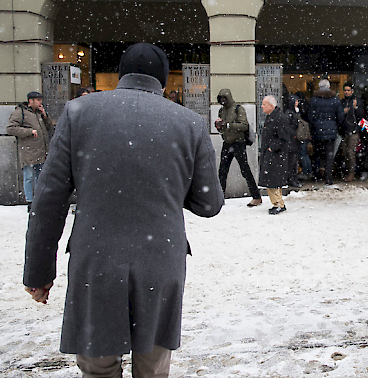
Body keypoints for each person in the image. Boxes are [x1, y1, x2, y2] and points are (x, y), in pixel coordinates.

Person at [22, 42, 224, 377]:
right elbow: (209, 203)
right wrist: (170, 185)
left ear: (120, 76)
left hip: (95, 260)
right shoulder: (189, 123)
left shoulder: (78, 113)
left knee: (97, 368)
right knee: (152, 370)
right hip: (160, 261)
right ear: (162, 81)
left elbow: (48, 201)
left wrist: (39, 273)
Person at [215, 88, 263, 206]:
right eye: (220, 98)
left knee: (245, 170)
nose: (222, 101)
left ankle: (256, 196)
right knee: (222, 171)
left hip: (238, 143)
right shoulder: (221, 110)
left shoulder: (238, 109)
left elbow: (244, 125)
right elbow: (224, 129)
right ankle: (219, 198)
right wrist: (220, 127)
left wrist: (227, 125)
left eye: (224, 98)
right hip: (227, 143)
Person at [6, 91, 53, 210]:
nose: (40, 102)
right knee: (29, 177)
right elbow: (10, 129)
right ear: (30, 101)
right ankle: (30, 201)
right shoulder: (20, 112)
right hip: (28, 151)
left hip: (41, 150)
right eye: (38, 100)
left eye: (40, 100)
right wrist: (29, 132)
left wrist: (45, 116)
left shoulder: (39, 113)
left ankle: (38, 199)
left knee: (40, 177)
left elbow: (49, 127)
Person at [259, 95, 291, 214]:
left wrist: (272, 148)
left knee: (274, 180)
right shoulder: (272, 117)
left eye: (264, 104)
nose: (262, 106)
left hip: (276, 155)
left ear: (271, 106)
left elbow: (284, 137)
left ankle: (279, 204)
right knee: (270, 180)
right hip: (271, 154)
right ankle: (276, 203)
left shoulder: (279, 118)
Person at [309, 79, 344, 185]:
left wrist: (313, 128)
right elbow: (340, 116)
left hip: (317, 131)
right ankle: (328, 178)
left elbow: (310, 116)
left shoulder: (314, 99)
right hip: (331, 131)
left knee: (317, 154)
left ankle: (316, 175)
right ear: (329, 87)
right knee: (329, 156)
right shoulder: (335, 99)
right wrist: (338, 127)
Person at [340, 83, 364, 182]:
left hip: (354, 130)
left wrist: (355, 108)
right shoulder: (341, 102)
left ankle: (351, 173)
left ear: (352, 91)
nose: (346, 92)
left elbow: (362, 115)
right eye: (345, 90)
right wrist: (343, 112)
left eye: (348, 90)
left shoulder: (357, 101)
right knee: (345, 152)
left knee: (350, 153)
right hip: (344, 131)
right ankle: (348, 171)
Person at [284, 95, 302, 188]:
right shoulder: (289, 113)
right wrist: (293, 133)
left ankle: (293, 178)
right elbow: (287, 127)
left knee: (293, 161)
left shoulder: (294, 112)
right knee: (291, 161)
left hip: (293, 141)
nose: (297, 103)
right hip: (291, 141)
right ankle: (291, 179)